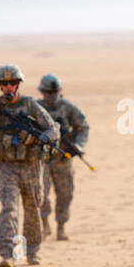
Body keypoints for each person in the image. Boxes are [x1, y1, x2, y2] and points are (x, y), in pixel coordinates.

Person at [0, 64, 60, 267]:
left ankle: (32, 252)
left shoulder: (30, 105)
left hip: (32, 166)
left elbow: (53, 129)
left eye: (12, 83)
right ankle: (8, 254)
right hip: (8, 166)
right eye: (4, 83)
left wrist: (36, 138)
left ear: (18, 84)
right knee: (10, 208)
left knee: (33, 209)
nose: (8, 87)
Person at [37, 74, 89, 241]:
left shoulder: (68, 108)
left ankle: (61, 226)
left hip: (63, 158)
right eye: (47, 93)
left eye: (54, 93)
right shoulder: (36, 109)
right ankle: (44, 223)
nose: (51, 96)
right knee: (41, 194)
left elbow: (83, 127)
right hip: (42, 160)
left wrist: (78, 146)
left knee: (65, 193)